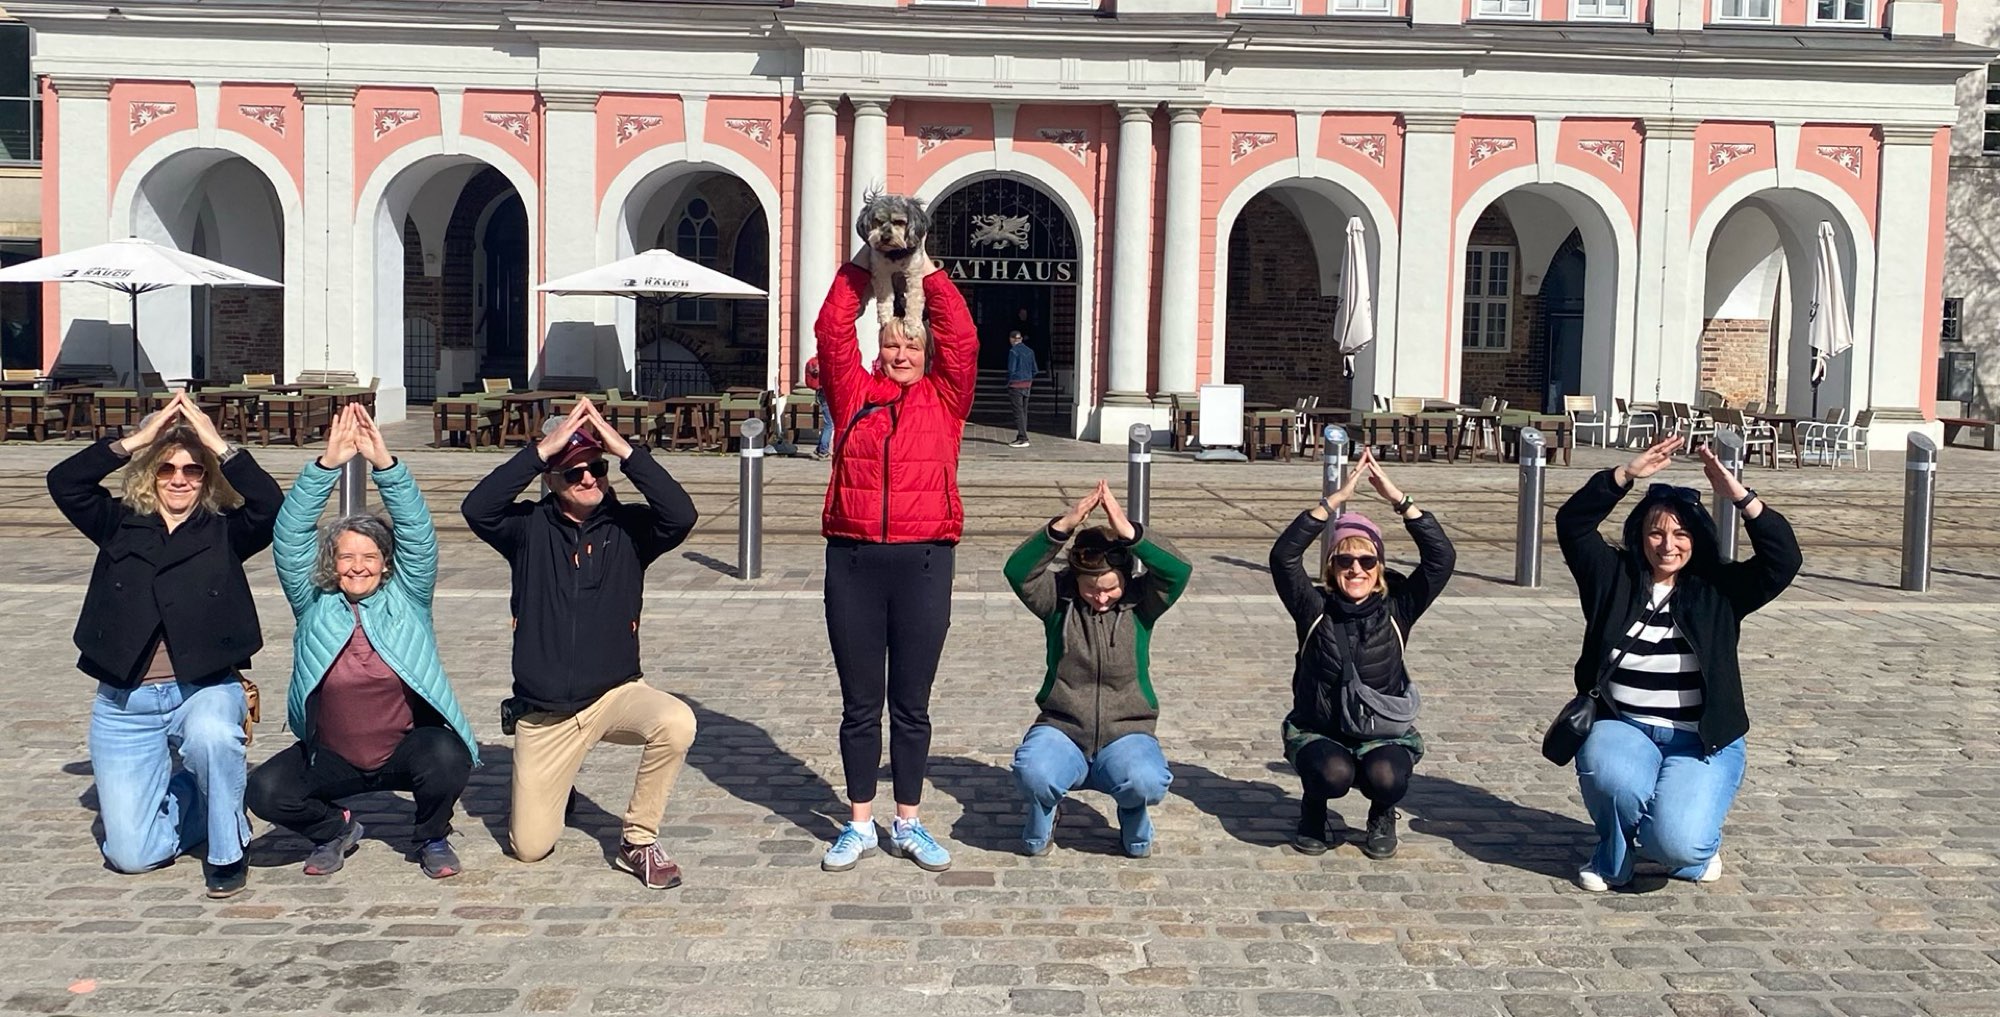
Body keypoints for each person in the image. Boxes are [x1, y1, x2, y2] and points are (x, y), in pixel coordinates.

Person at [47, 391, 281, 898]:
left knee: (213, 739)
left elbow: (269, 504)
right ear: (149, 473)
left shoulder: (225, 532)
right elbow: (64, 482)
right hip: (125, 702)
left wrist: (216, 443)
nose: (179, 478)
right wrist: (138, 439)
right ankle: (209, 798)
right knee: (131, 856)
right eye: (167, 468)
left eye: (193, 470)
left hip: (204, 688)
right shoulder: (117, 524)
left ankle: (227, 848)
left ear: (206, 478)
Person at [460, 398, 701, 889]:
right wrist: (538, 451)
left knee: (676, 722)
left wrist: (624, 449)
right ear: (551, 480)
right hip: (545, 713)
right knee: (530, 848)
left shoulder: (630, 529)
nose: (589, 479)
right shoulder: (525, 529)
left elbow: (681, 514)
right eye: (574, 474)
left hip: (614, 695)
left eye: (597, 469)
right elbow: (476, 508)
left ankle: (637, 841)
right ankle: (555, 786)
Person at [1555, 436, 1800, 892]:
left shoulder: (1719, 588)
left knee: (1676, 846)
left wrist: (1740, 496)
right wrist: (1624, 476)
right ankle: (1613, 857)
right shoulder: (1613, 577)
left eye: (1681, 533)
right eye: (1656, 532)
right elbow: (1572, 524)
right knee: (1611, 775)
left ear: (1698, 538)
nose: (1668, 545)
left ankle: (1685, 840)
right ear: (1639, 535)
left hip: (1702, 742)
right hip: (1624, 728)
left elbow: (1784, 560)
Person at [246, 404, 479, 880]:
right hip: (334, 756)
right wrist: (326, 467)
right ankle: (335, 829)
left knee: (448, 757)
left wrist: (386, 465)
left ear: (385, 563)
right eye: (345, 556)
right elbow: (289, 537)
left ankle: (431, 837)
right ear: (332, 562)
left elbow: (418, 534)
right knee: (264, 791)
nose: (356, 566)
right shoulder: (313, 601)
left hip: (404, 750)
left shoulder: (408, 597)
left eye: (368, 556)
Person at [814, 243, 978, 873]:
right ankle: (858, 823)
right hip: (854, 561)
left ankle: (908, 821)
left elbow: (959, 334)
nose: (901, 355)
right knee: (860, 706)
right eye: (891, 346)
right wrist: (862, 266)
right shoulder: (853, 392)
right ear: (878, 350)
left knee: (911, 704)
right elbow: (832, 331)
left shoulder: (947, 398)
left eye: (911, 346)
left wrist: (923, 268)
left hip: (925, 562)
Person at [1270, 448, 1454, 859]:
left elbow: (1441, 560)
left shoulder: (1398, 609)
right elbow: (1283, 559)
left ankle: (1382, 813)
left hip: (1381, 732)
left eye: (1367, 560)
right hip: (1321, 729)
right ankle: (1314, 809)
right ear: (1333, 568)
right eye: (1345, 560)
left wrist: (1399, 499)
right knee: (1333, 775)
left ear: (1379, 568)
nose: (1356, 569)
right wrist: (1332, 503)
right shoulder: (1313, 608)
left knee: (1387, 777)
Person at [1003, 480, 1192, 858]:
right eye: (1091, 588)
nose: (1101, 597)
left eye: (1110, 587)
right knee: (1034, 772)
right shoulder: (1058, 601)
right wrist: (1063, 526)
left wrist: (1130, 532)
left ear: (1125, 579)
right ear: (1076, 581)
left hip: (1127, 733)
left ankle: (1131, 809)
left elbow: (1177, 571)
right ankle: (1046, 809)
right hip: (1063, 729)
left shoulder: (1142, 605)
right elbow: (1018, 572)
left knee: (1147, 781)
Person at [1006, 330, 1037, 449]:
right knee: (1024, 411)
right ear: (1021, 339)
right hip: (1027, 384)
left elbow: (1011, 370)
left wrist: (1008, 382)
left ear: (1012, 339)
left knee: (1018, 413)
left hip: (1016, 384)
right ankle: (1021, 436)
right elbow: (1035, 369)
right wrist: (1029, 379)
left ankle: (1023, 438)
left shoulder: (1013, 351)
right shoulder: (1030, 351)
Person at [805, 354, 833, 460]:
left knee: (827, 423)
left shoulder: (814, 361)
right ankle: (823, 451)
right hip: (827, 392)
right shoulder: (823, 362)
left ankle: (819, 449)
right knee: (829, 425)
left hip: (820, 392)